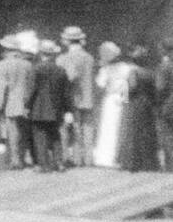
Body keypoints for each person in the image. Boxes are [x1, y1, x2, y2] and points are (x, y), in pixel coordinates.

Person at [26, 39, 71, 173]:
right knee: (55, 136)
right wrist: (67, 109)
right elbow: (65, 92)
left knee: (40, 137)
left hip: (39, 108)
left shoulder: (36, 69)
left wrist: (26, 106)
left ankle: (43, 165)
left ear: (41, 53)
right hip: (56, 107)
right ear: (53, 55)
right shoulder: (61, 70)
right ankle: (59, 163)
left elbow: (31, 90)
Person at [116, 45, 160, 172]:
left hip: (134, 105)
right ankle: (149, 162)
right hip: (147, 105)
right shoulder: (149, 72)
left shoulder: (132, 72)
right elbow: (154, 90)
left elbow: (132, 87)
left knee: (131, 133)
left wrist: (123, 96)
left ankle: (132, 163)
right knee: (146, 133)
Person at [57, 26, 95, 167]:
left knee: (73, 128)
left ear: (67, 40)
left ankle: (76, 159)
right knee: (88, 128)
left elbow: (70, 77)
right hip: (88, 98)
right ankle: (89, 159)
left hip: (73, 98)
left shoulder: (64, 58)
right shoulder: (89, 57)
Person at [0, 35, 33, 168]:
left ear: (6, 49)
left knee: (12, 131)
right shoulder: (27, 64)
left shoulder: (2, 64)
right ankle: (23, 157)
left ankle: (15, 160)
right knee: (24, 131)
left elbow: (2, 87)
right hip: (25, 101)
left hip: (10, 101)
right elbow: (31, 85)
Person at [93, 40, 130, 168]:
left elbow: (100, 84)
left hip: (110, 98)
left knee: (108, 128)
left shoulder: (106, 69)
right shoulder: (126, 68)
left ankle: (106, 157)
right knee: (120, 128)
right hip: (122, 98)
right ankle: (119, 156)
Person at [157, 38, 173, 172]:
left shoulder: (165, 66)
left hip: (169, 103)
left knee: (167, 134)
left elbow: (160, 87)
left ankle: (171, 165)